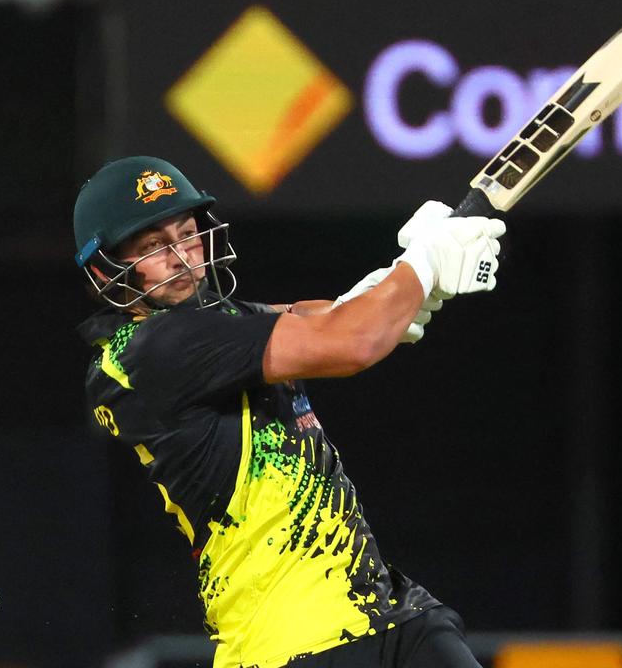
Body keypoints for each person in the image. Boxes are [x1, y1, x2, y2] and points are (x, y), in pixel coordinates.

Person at [73, 156, 505, 668]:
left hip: (387, 613)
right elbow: (353, 340)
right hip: (291, 643)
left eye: (187, 234)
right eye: (153, 247)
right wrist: (424, 266)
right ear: (106, 270)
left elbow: (323, 315)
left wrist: (401, 280)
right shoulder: (149, 350)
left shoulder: (216, 323)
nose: (183, 257)